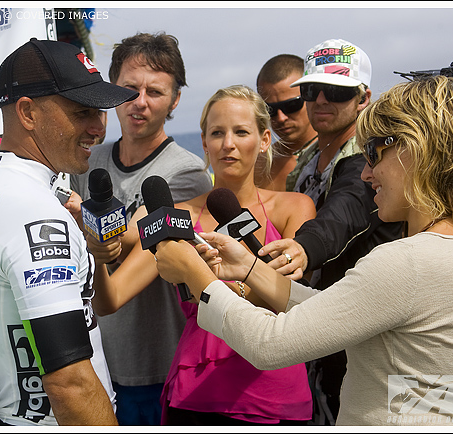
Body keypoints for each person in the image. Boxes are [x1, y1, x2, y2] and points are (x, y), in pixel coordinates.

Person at [155, 75, 453, 426]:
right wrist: (247, 265)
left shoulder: (407, 261)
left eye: (374, 153)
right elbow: (330, 313)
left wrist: (193, 274)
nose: (366, 173)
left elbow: (271, 344)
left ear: (416, 150)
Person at [91, 85, 317, 425]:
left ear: (264, 140)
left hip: (273, 392)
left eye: (241, 132)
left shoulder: (294, 208)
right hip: (195, 396)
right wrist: (96, 254)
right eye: (217, 133)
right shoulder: (175, 217)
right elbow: (109, 301)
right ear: (203, 142)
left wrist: (207, 280)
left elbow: (293, 299)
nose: (228, 144)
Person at [0, 38, 138, 426]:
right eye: (82, 111)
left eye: (100, 111)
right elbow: (69, 383)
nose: (98, 129)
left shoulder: (1, 189)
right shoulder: (30, 207)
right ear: (27, 113)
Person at [68, 32, 213, 426]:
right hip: (92, 359)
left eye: (156, 92)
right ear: (111, 89)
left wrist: (80, 215)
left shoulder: (187, 173)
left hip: (158, 367)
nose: (140, 102)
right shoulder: (85, 160)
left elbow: (128, 233)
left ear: (175, 100)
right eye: (129, 89)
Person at [259, 38, 403, 424]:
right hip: (324, 328)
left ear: (363, 98)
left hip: (363, 340)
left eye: (336, 90)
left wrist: (302, 248)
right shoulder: (307, 156)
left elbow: (348, 211)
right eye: (310, 90)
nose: (321, 100)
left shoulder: (368, 160)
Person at [254, 54, 318, 191]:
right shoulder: (258, 165)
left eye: (291, 105)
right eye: (269, 109)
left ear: (310, 96)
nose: (281, 117)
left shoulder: (335, 155)